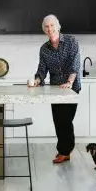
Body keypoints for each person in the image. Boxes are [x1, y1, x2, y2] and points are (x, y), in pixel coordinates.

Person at [30, 14, 80, 164]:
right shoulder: (44, 49)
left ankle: (65, 150)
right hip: (55, 89)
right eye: (46, 26)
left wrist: (70, 82)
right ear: (44, 30)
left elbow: (75, 64)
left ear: (58, 26)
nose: (49, 28)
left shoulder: (71, 41)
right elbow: (42, 70)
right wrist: (37, 80)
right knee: (58, 120)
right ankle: (64, 151)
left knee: (66, 120)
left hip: (71, 87)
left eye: (52, 25)